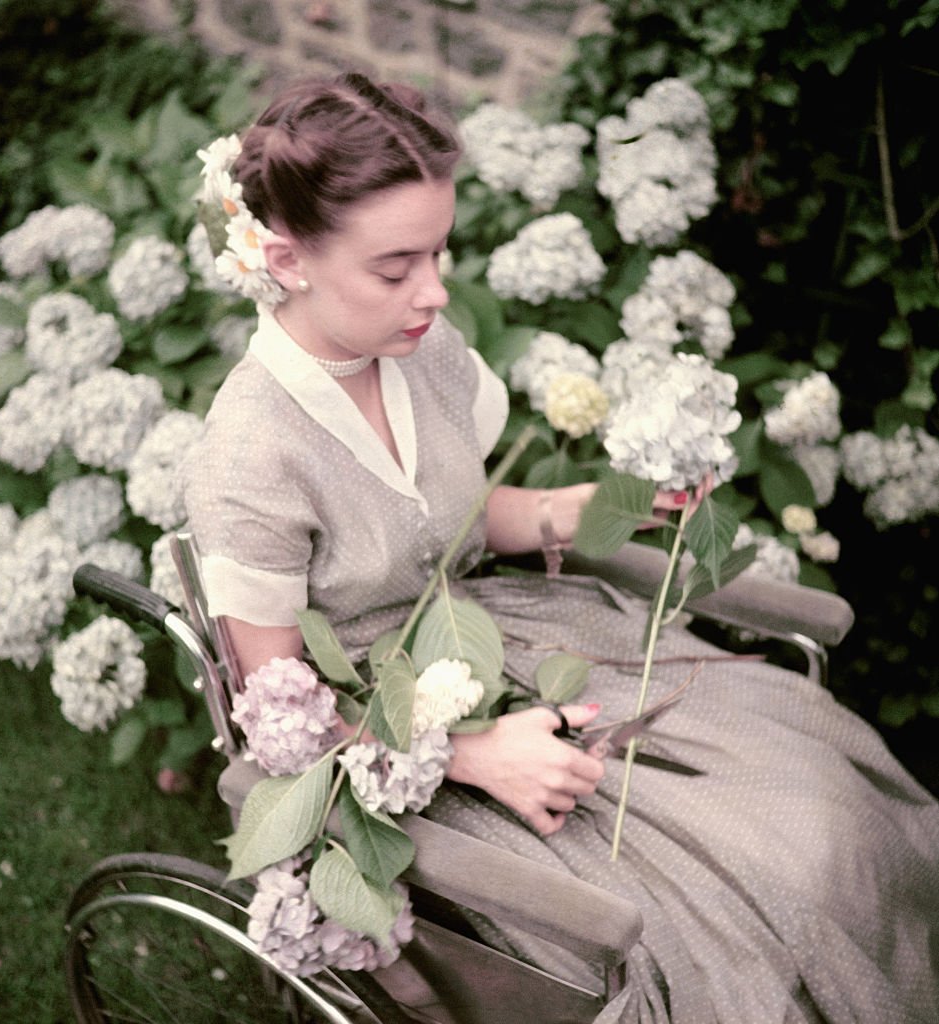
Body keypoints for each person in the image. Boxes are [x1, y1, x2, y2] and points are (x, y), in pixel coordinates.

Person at [185, 72, 939, 1023]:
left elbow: (469, 518)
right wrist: (473, 752)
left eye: (439, 252)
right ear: (286, 259)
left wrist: (627, 501)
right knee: (722, 913)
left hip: (500, 636)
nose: (433, 289)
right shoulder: (252, 456)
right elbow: (285, 721)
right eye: (395, 266)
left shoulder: (422, 348)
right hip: (393, 735)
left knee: (824, 807)